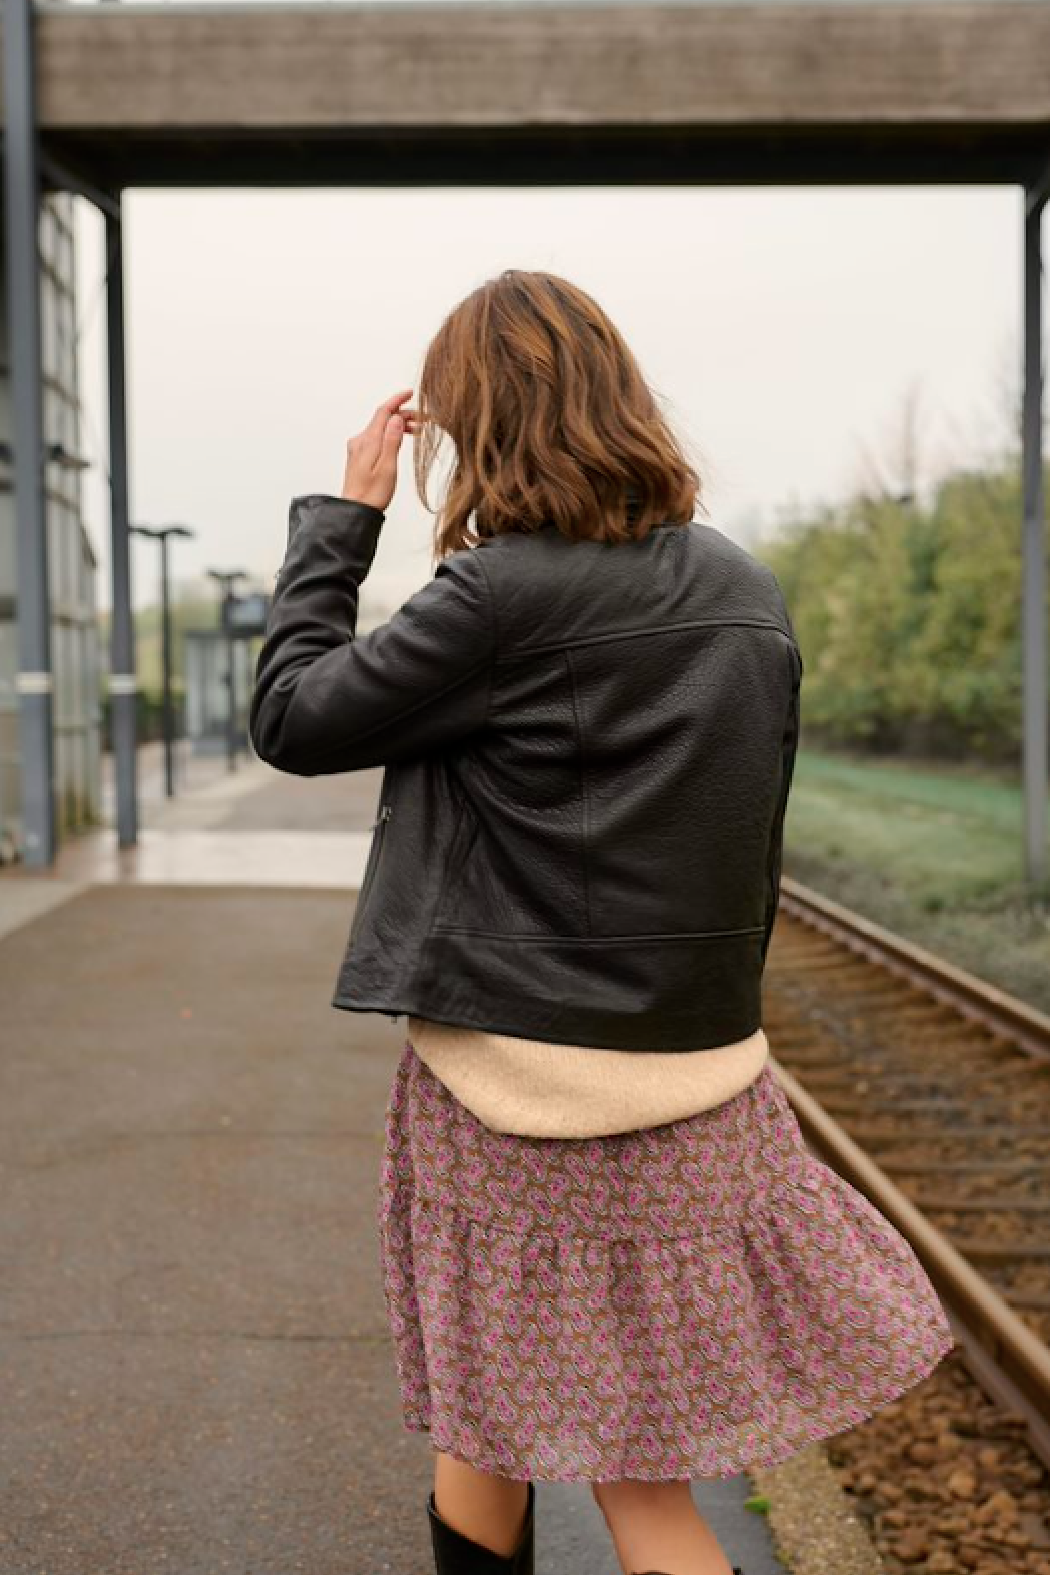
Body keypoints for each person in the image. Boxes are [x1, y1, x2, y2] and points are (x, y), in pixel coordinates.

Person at [249, 270, 956, 1575]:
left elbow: (293, 718)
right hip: (696, 1081)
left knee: (562, 1451)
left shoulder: (498, 597)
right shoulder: (745, 589)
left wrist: (341, 522)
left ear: (477, 428)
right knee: (574, 1447)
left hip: (513, 1082)